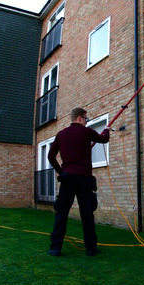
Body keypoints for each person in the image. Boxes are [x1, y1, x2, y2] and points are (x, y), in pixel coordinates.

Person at [47, 107, 110, 257]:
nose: (86, 122)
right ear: (80, 118)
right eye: (86, 119)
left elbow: (51, 156)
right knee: (87, 214)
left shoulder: (61, 134)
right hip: (84, 178)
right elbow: (104, 139)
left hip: (67, 178)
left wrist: (62, 172)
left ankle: (55, 248)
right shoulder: (86, 132)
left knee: (61, 212)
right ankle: (91, 249)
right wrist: (106, 129)